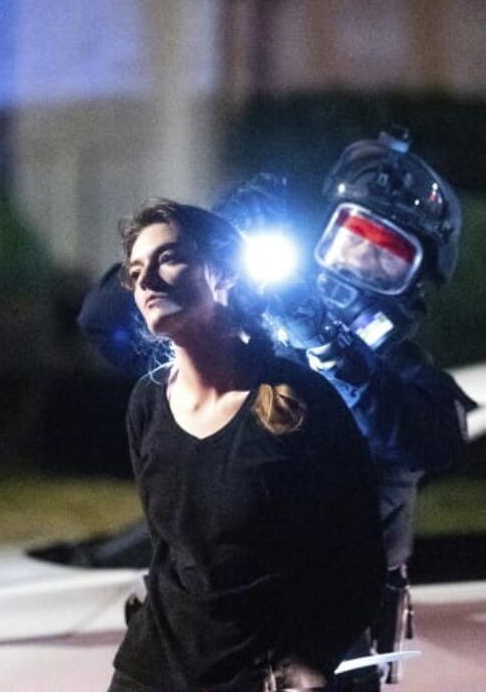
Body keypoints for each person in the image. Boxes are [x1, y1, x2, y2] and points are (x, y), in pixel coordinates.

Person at [109, 199, 385, 692]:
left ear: (224, 274)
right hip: (154, 671)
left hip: (264, 676)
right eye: (135, 270)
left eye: (169, 258)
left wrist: (313, 658)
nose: (147, 281)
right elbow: (170, 550)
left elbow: (359, 556)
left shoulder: (301, 400)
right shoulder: (147, 403)